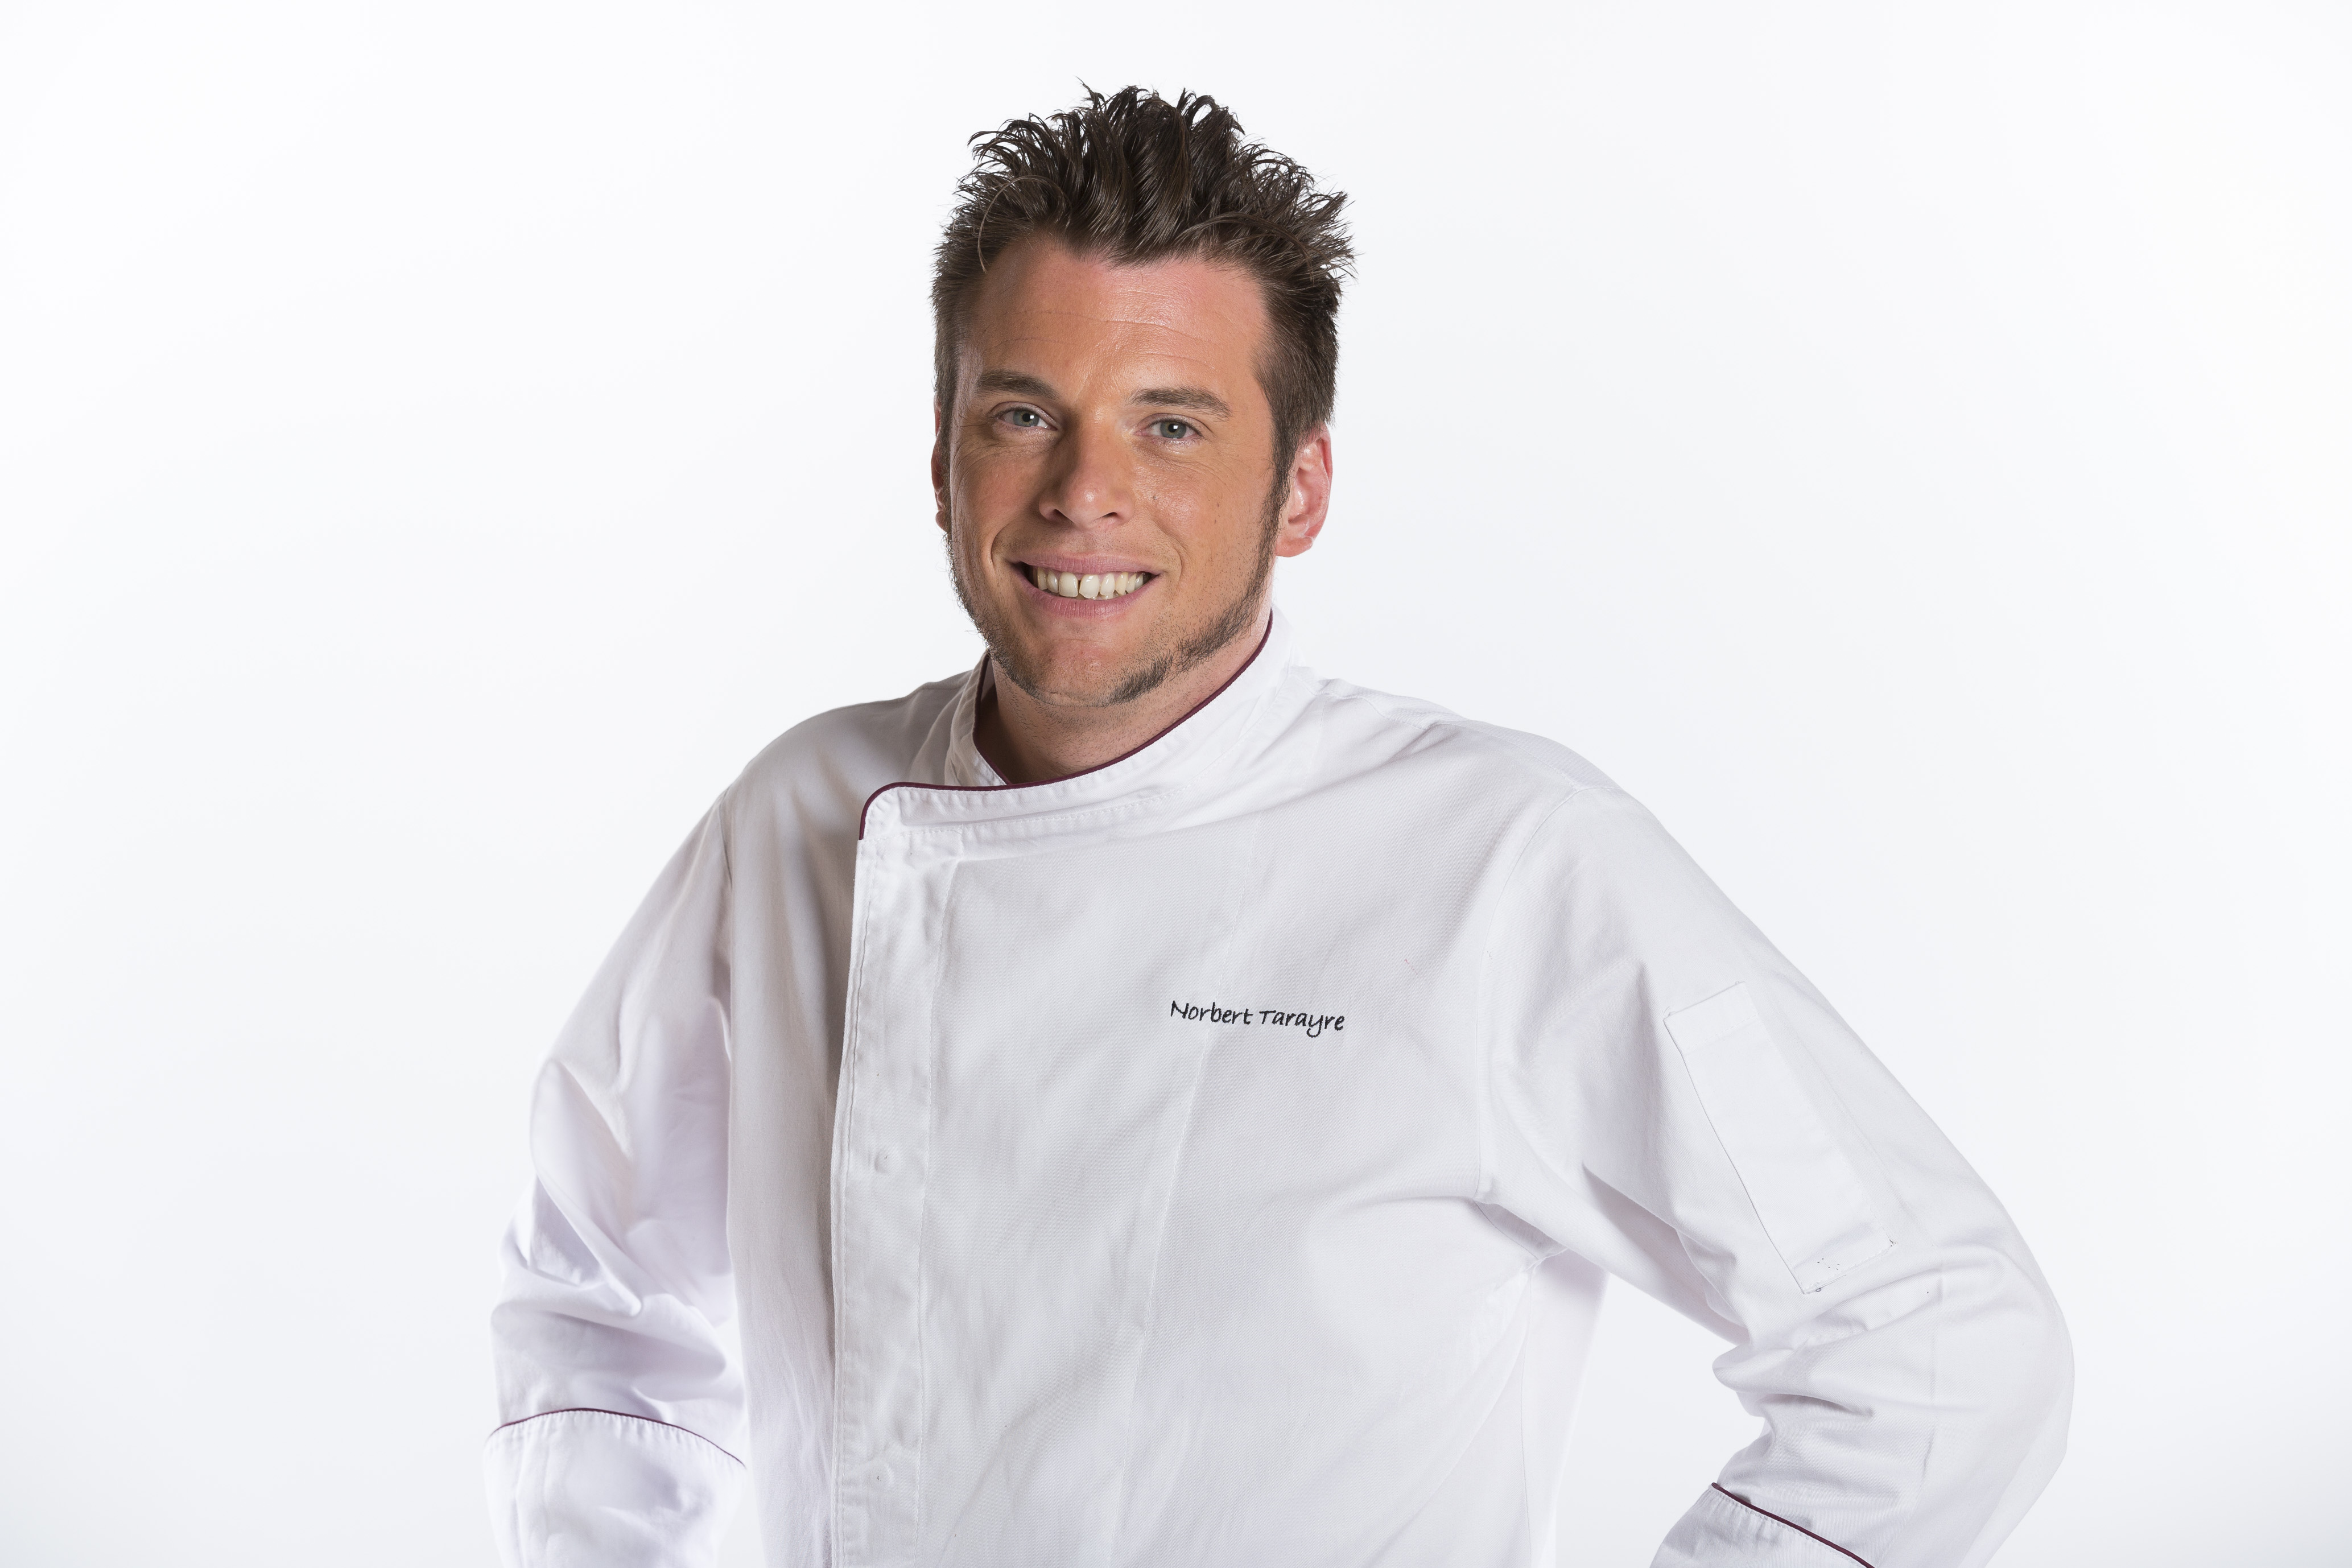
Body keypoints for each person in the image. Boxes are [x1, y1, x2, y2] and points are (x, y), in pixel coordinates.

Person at [485, 86, 2070, 1568]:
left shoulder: (1511, 860)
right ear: (943, 460)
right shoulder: (797, 813)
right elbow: (596, 1294)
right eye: (1024, 414)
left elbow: (1939, 1344)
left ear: (1300, 490)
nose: (1084, 492)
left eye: (1171, 425)